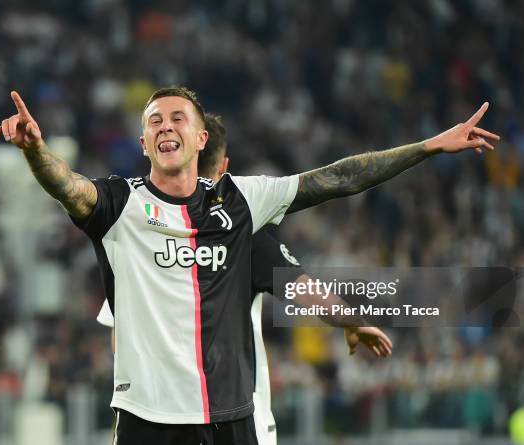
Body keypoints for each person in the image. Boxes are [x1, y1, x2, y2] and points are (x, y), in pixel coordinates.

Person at [0, 87, 498, 445]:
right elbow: (67, 186)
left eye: (178, 119)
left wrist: (429, 146)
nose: (165, 126)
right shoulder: (120, 206)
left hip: (231, 418)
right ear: (144, 144)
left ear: (200, 140)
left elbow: (339, 178)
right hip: (147, 418)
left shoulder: (243, 203)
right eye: (154, 122)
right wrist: (37, 152)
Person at [95, 113, 393, 445]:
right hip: (239, 418)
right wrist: (350, 319)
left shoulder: (138, 232)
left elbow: (120, 339)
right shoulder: (240, 228)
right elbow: (300, 286)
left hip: (155, 418)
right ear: (223, 166)